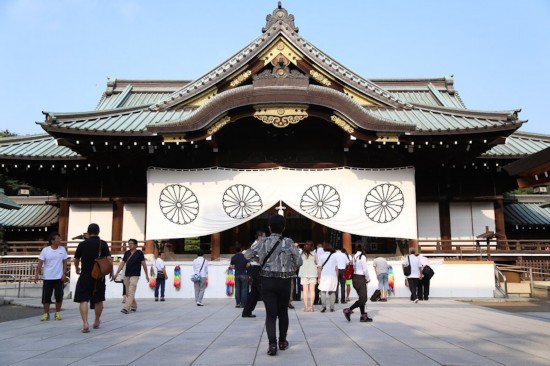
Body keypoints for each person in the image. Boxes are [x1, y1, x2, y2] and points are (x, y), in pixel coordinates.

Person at [244, 214, 302, 356]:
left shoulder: (262, 241)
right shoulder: (288, 242)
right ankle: (282, 341)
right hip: (284, 282)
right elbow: (299, 261)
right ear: (284, 227)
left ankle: (272, 345)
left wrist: (259, 259)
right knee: (283, 312)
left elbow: (247, 255)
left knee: (271, 314)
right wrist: (290, 265)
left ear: (269, 227)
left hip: (267, 281)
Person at [73, 223, 113, 332]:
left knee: (83, 299)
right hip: (98, 275)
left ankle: (85, 323)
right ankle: (96, 321)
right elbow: (109, 259)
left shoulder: (82, 245)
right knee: (98, 300)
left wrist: (77, 268)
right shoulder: (103, 244)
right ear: (98, 232)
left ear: (88, 232)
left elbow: (76, 259)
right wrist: (111, 272)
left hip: (85, 274)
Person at [34, 232, 68, 321]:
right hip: (48, 277)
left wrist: (64, 273)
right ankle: (46, 314)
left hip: (59, 277)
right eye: (57, 238)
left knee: (59, 296)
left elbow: (65, 262)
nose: (59, 240)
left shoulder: (62, 249)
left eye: (59, 238)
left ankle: (57, 313)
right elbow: (40, 263)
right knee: (46, 296)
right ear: (52, 241)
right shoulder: (45, 250)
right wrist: (36, 274)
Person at [112, 239, 149, 314]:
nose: (130, 245)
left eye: (131, 243)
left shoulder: (139, 253)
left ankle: (126, 308)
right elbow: (122, 263)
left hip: (135, 275)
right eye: (129, 243)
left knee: (131, 291)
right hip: (127, 274)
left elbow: (144, 265)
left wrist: (147, 275)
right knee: (128, 292)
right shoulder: (126, 253)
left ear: (136, 245)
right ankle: (134, 305)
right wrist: (116, 273)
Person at [343, 245, 373, 322]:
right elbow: (365, 269)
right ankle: (348, 310)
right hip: (360, 278)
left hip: (355, 279)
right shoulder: (362, 257)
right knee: (364, 299)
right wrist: (368, 278)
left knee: (361, 298)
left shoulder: (354, 256)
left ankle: (363, 316)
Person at [317, 243, 338, 312]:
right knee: (332, 291)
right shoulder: (334, 256)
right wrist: (336, 277)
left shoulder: (322, 256)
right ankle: (332, 307)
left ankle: (324, 306)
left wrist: (319, 277)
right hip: (333, 275)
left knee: (323, 290)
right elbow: (336, 268)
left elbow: (319, 268)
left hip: (324, 275)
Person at [298, 240, 317, 312]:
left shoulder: (301, 253)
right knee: (312, 291)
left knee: (305, 291)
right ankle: (311, 307)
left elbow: (299, 262)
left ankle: (305, 307)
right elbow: (317, 262)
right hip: (313, 273)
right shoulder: (314, 253)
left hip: (304, 273)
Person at [230, 242, 249, 308]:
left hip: (237, 274)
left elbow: (232, 266)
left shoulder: (233, 257)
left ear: (235, 249)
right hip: (244, 273)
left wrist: (236, 268)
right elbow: (248, 265)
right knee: (244, 289)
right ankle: (243, 304)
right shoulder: (245, 256)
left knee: (237, 288)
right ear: (241, 249)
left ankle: (238, 303)